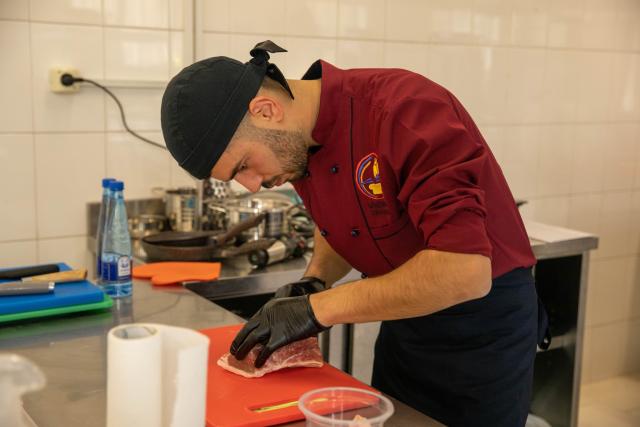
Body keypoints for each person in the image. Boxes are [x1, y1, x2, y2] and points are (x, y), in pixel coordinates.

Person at [161, 40, 549, 427]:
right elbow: (348, 220)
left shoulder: (405, 109)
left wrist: (317, 309)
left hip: (482, 334)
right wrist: (315, 281)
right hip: (406, 324)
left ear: (266, 110)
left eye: (244, 165)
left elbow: (464, 271)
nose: (251, 184)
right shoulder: (297, 145)